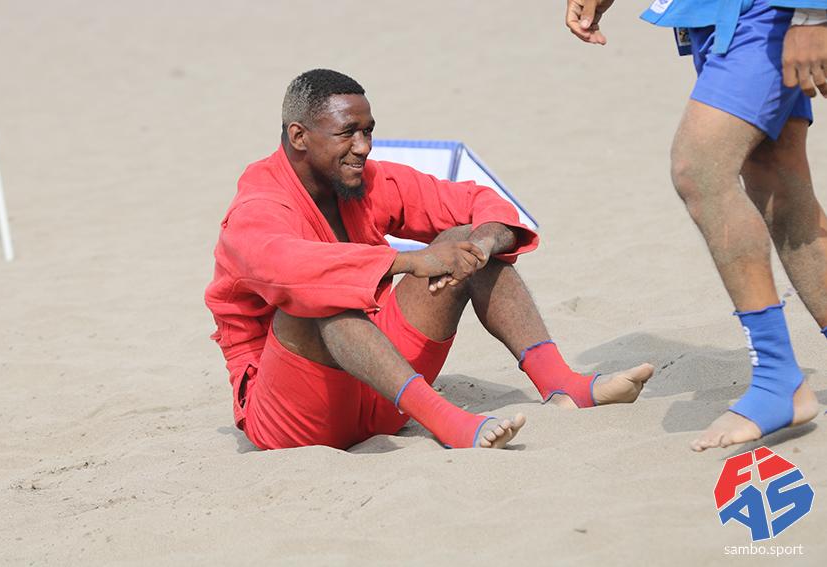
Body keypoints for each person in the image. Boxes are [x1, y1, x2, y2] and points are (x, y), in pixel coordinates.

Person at [204, 69, 654, 451]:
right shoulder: (258, 203)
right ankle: (445, 421)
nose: (363, 147)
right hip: (295, 417)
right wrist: (411, 261)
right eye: (347, 133)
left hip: (382, 390)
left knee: (463, 240)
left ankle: (561, 385)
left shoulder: (365, 179)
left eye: (368, 131)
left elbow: (481, 202)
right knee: (321, 298)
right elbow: (287, 269)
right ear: (298, 136)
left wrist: (480, 248)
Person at [565, 0, 825, 451]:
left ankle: (776, 379)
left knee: (698, 168)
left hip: (767, 11)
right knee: (778, 180)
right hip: (715, 13)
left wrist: (813, 14)